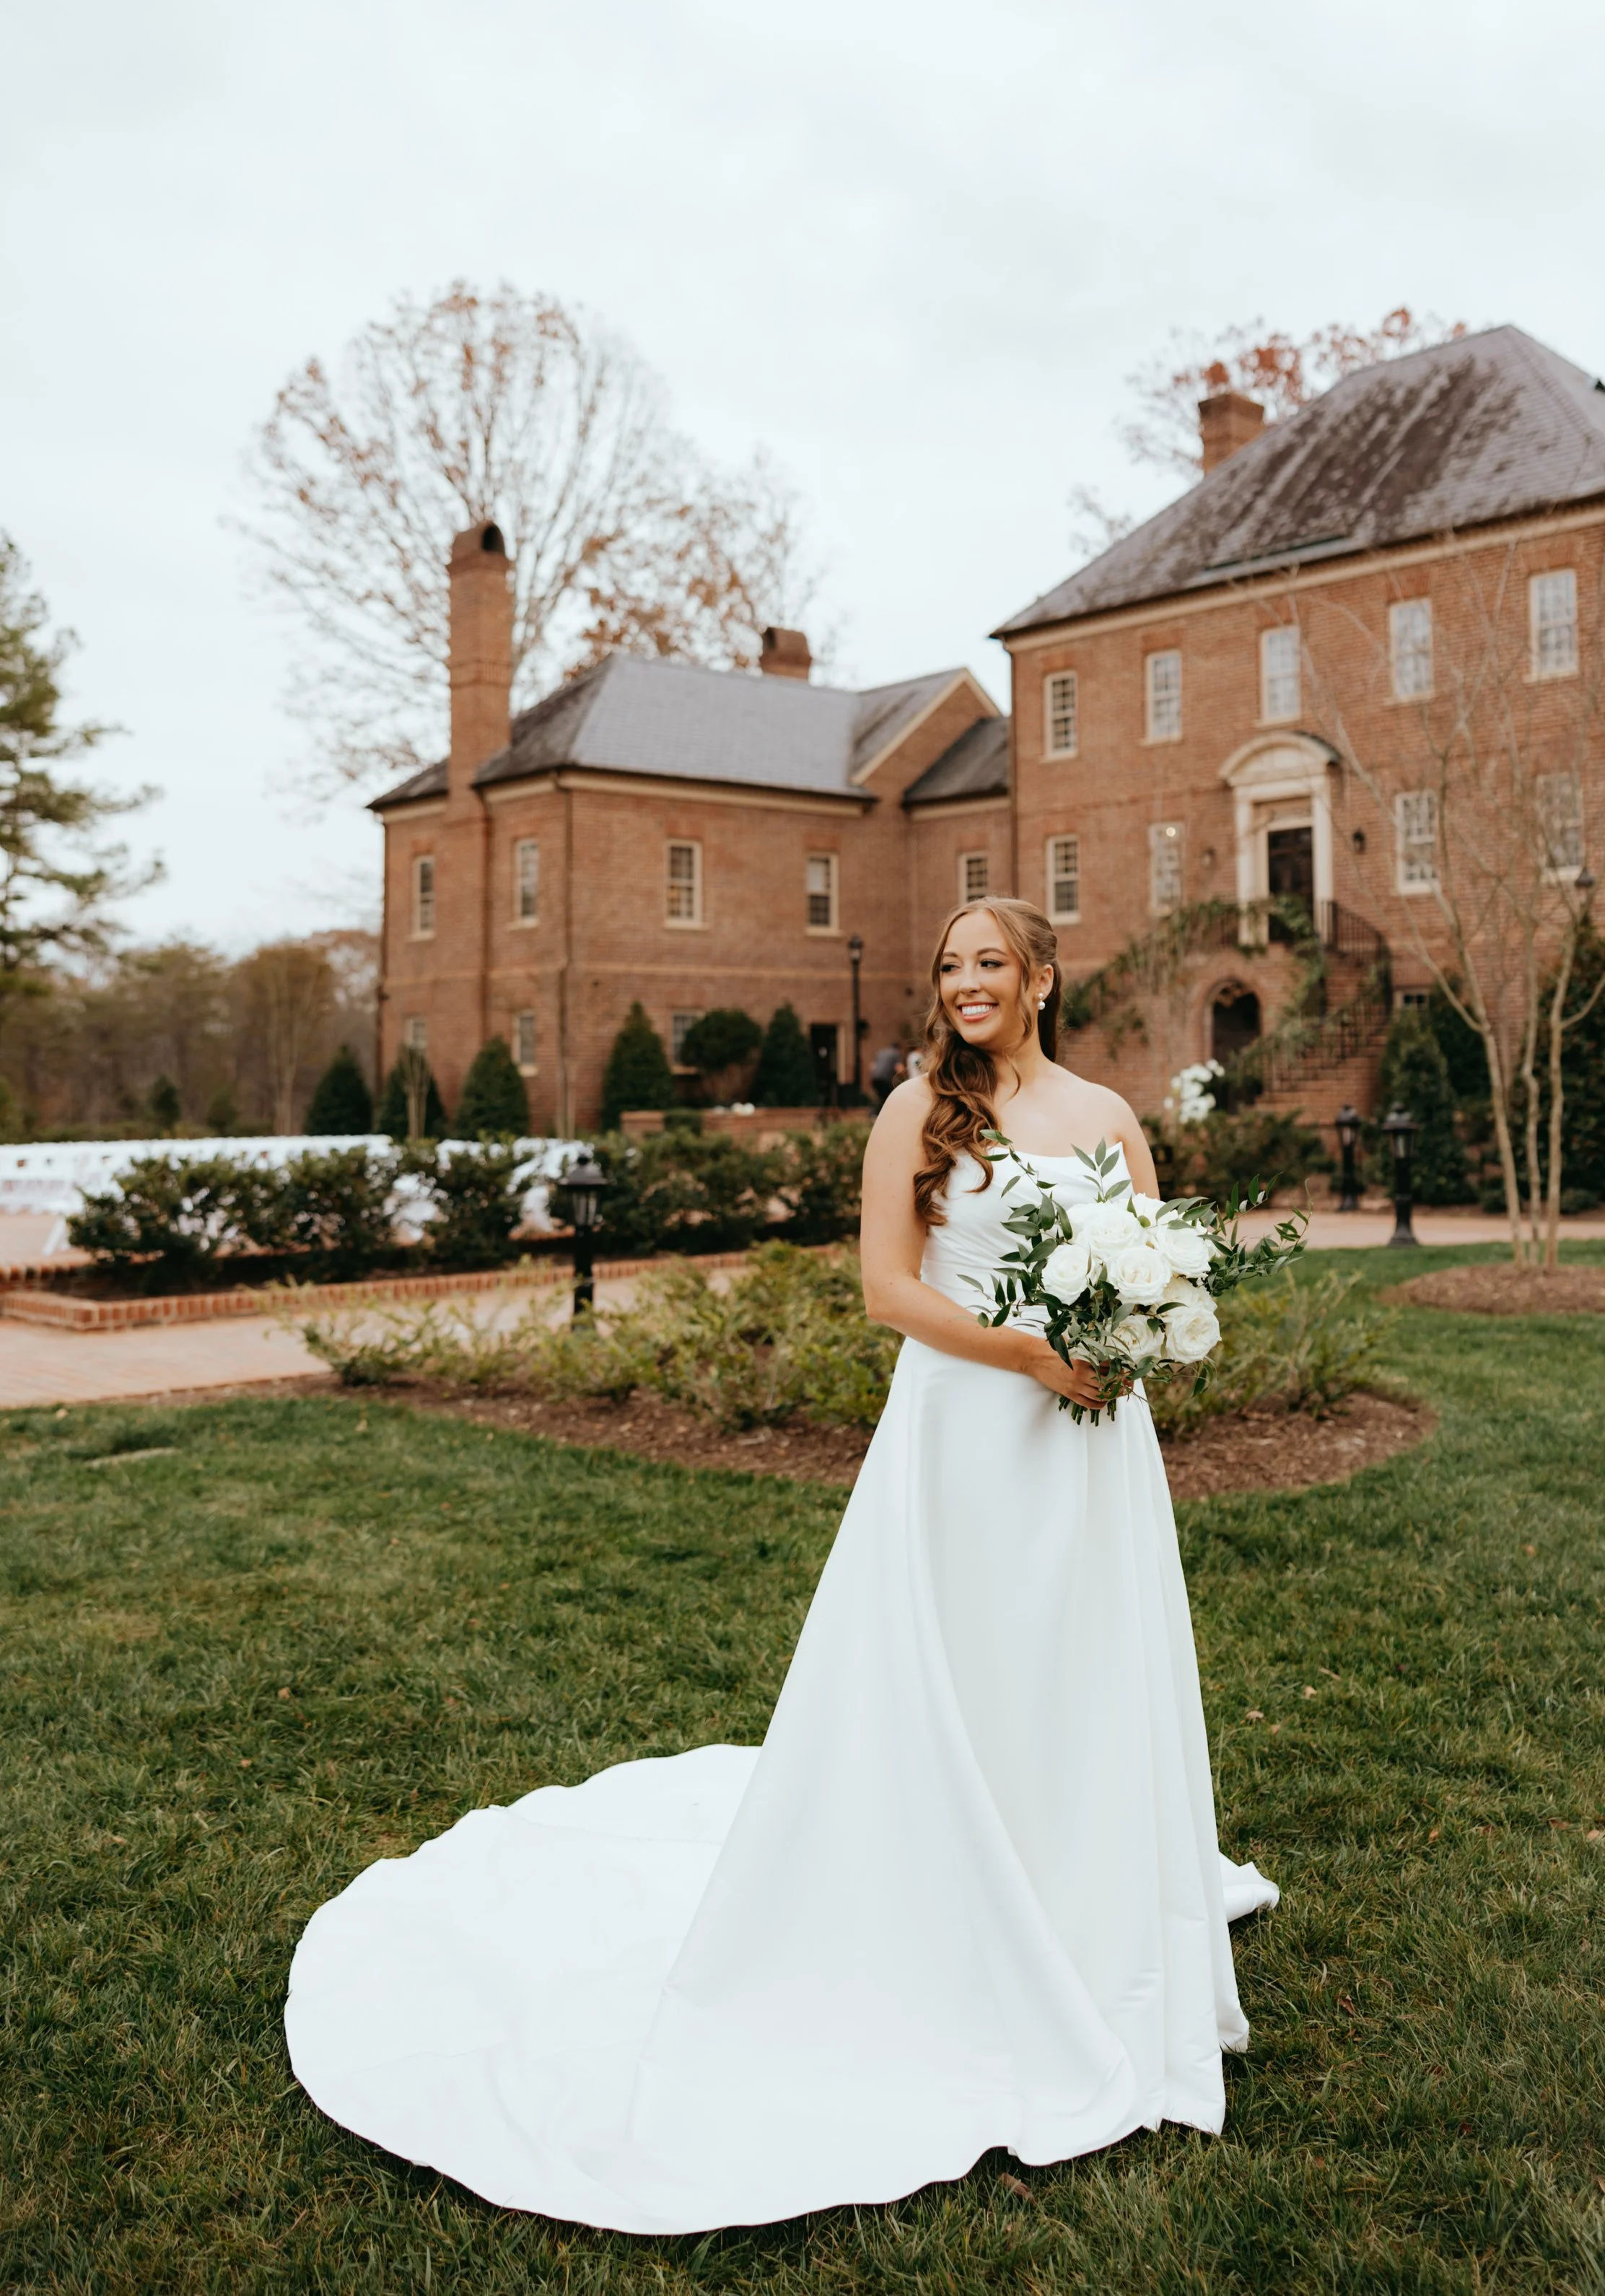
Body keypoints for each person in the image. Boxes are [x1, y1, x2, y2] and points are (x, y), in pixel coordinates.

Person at [285, 896, 1276, 2233]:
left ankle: (1085, 1912)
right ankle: (952, 1920)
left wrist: (1122, 1344)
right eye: (950, 965)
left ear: (1043, 977)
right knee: (960, 1670)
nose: (965, 981)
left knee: (1081, 1675)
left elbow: (1151, 1269)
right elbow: (890, 1289)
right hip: (966, 1437)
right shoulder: (918, 1110)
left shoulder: (1108, 1116)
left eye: (990, 962)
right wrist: (1033, 1349)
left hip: (1094, 1446)